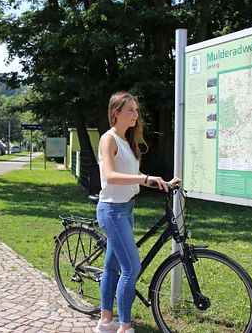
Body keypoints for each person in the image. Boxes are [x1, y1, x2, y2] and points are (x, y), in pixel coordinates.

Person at [94, 92, 181, 333]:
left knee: (112, 267)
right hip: (112, 211)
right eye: (130, 110)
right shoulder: (108, 139)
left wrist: (162, 182)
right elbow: (111, 176)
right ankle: (124, 326)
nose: (136, 115)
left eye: (136, 110)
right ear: (116, 113)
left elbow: (131, 177)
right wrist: (145, 178)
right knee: (131, 268)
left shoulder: (127, 141)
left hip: (127, 209)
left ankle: (105, 321)